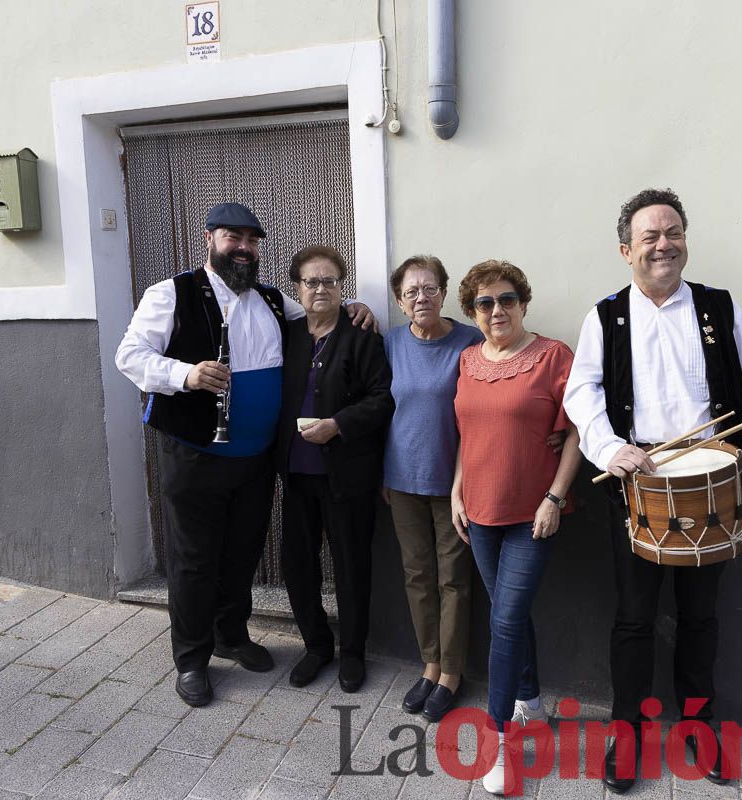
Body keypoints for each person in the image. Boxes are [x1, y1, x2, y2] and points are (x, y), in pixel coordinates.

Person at [563, 188, 742, 793]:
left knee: (701, 616)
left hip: (714, 485)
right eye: (649, 236)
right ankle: (630, 731)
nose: (663, 244)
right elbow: (581, 392)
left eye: (672, 232)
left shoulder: (720, 309)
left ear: (685, 241)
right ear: (626, 250)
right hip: (638, 484)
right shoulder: (606, 315)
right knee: (634, 618)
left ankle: (697, 727)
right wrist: (607, 447)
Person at [115, 203, 375, 708]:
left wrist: (357, 307)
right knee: (194, 560)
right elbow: (129, 355)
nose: (244, 247)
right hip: (194, 453)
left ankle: (232, 635)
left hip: (255, 459)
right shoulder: (171, 293)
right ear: (209, 239)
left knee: (241, 553)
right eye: (234, 237)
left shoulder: (276, 300)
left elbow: (323, 310)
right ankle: (192, 659)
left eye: (252, 241)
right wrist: (184, 375)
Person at [450, 260, 582, 795]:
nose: (496, 310)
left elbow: (575, 433)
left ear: (523, 303)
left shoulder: (554, 356)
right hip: (478, 513)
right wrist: (457, 489)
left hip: (533, 516)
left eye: (506, 299)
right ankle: (531, 700)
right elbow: (466, 431)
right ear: (473, 312)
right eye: (484, 303)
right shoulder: (466, 360)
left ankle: (500, 739)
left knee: (503, 622)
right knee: (512, 614)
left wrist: (556, 496)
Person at [275, 245, 394, 693]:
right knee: (297, 563)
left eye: (329, 281)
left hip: (347, 474)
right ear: (298, 288)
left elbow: (382, 399)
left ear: (342, 287)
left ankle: (353, 653)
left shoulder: (362, 335)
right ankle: (316, 646)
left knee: (350, 564)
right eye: (311, 281)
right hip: (296, 473)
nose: (320, 288)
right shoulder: (287, 334)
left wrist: (338, 426)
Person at [382, 255, 482, 722]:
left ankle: (452, 674)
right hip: (401, 479)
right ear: (401, 302)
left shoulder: (469, 341)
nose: (421, 297)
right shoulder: (391, 343)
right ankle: (429, 664)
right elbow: (381, 407)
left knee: (453, 579)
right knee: (417, 576)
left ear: (443, 292)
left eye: (429, 288)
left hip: (454, 483)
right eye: (410, 291)